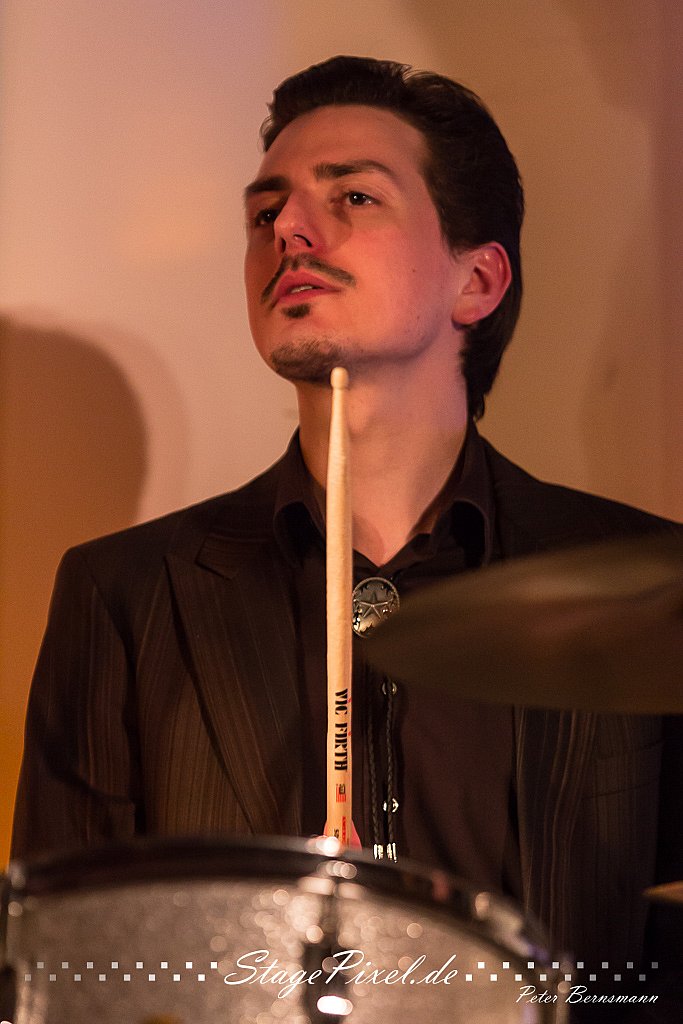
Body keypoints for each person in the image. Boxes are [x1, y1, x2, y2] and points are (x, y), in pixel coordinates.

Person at [12, 56, 681, 1012]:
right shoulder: (124, 594)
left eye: (354, 196)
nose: (287, 229)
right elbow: (63, 975)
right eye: (265, 211)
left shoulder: (648, 588)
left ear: (476, 280)